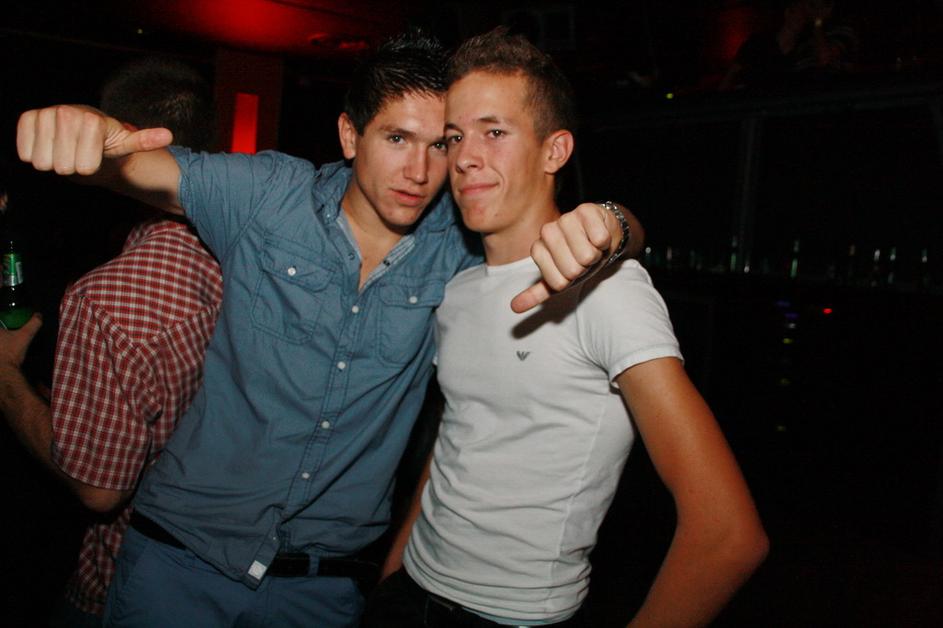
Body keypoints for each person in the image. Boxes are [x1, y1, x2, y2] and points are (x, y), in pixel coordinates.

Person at [15, 30, 642, 627]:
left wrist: (616, 223)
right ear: (350, 134)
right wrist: (82, 127)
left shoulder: (458, 243)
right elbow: (134, 166)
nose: (419, 171)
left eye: (440, 145)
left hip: (322, 591)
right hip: (181, 564)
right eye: (397, 138)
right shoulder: (268, 196)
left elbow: (578, 229)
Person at [366, 27, 769, 627]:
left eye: (494, 132)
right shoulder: (459, 290)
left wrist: (616, 222)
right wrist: (396, 569)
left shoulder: (607, 289)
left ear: (554, 152)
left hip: (514, 616)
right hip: (410, 592)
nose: (465, 157)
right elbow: (461, 435)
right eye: (455, 137)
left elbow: (729, 535)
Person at [0, 57, 222, 627]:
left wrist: (5, 378)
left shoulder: (107, 298)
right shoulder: (243, 251)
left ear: (110, 140)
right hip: (211, 573)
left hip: (122, 583)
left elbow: (98, 489)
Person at [719, 0, 858, 92]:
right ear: (788, 11)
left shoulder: (816, 39)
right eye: (801, 9)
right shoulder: (758, 42)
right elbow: (731, 74)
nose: (804, 15)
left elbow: (824, 58)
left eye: (808, 11)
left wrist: (817, 21)